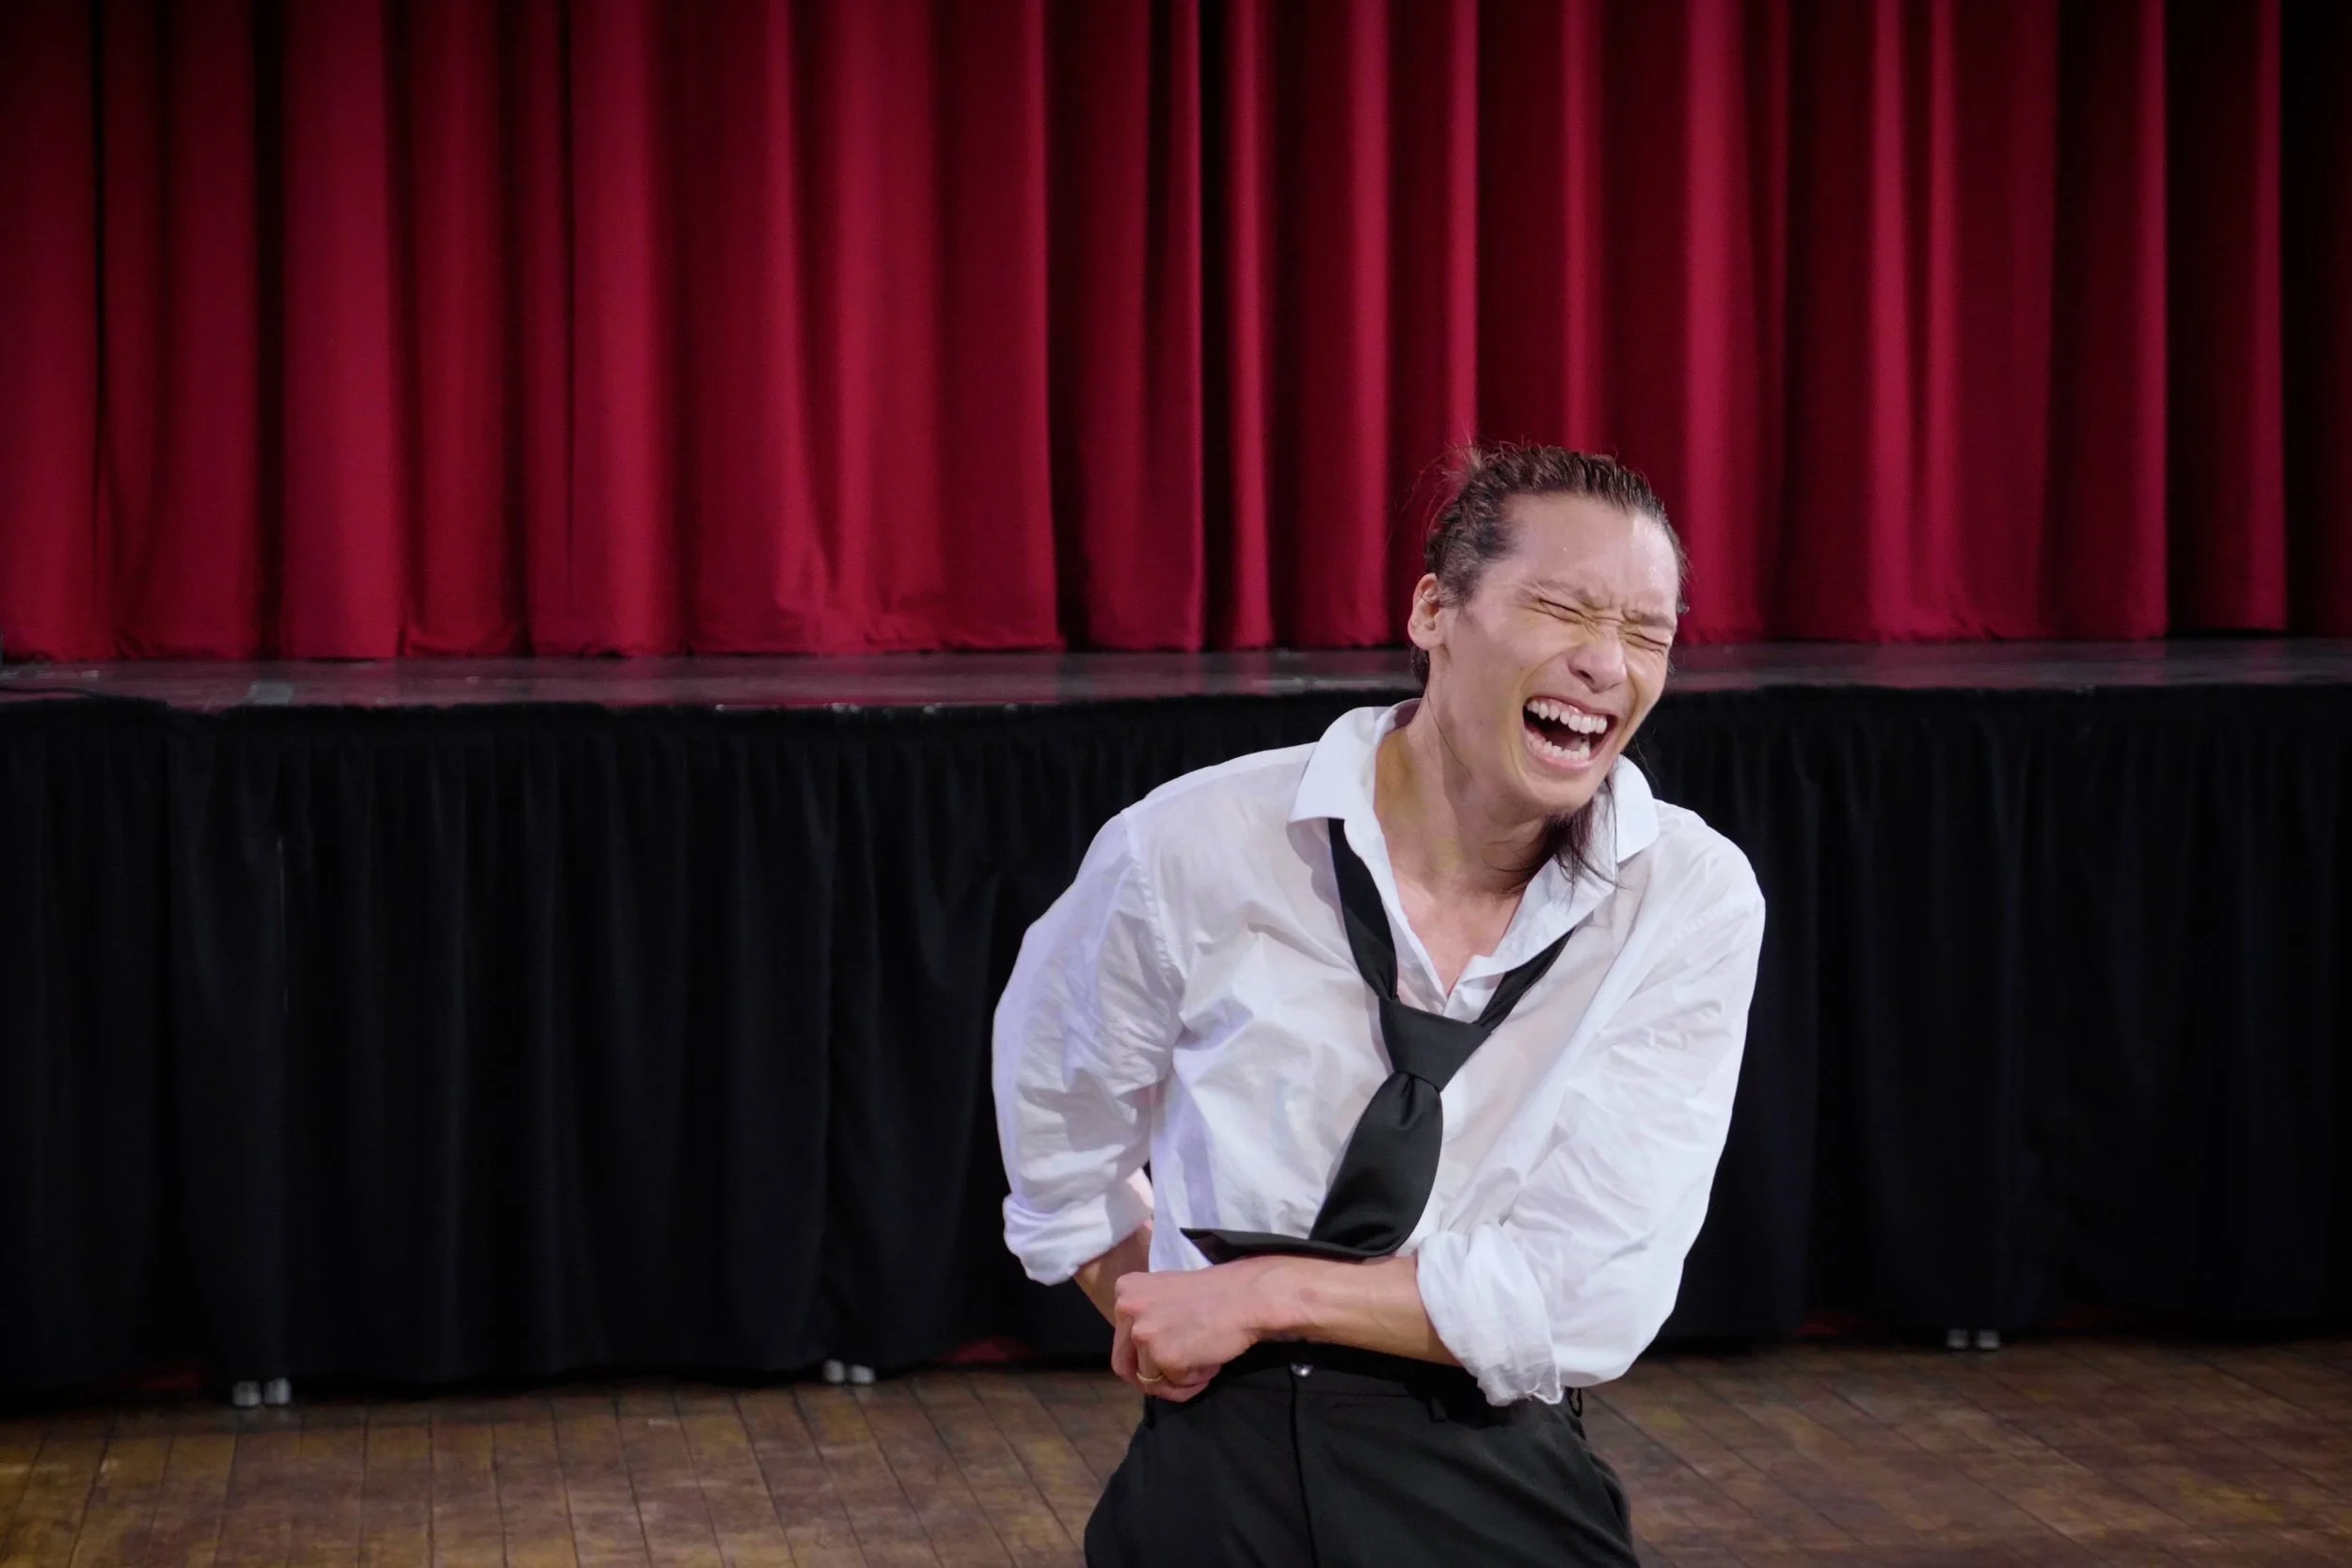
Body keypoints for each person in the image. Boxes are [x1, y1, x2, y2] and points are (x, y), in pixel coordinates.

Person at [992, 446, 1766, 1566]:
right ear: (1434, 609)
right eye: (1562, 608)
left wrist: (1264, 1293)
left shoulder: (1683, 896)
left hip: (1489, 1441)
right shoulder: (1195, 844)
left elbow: (1590, 1293)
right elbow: (1059, 1134)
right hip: (1227, 1443)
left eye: (1648, 633)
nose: (1606, 663)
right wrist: (1166, 1316)